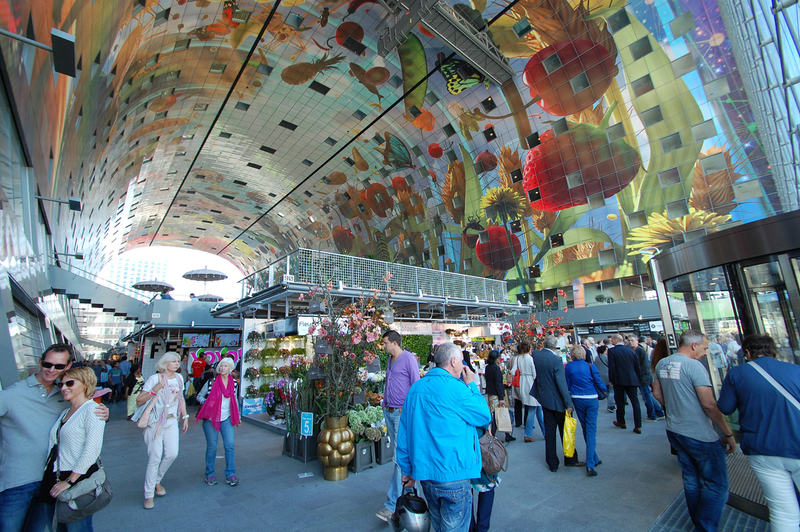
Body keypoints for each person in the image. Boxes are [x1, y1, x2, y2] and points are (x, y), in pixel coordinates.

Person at [0, 344, 108, 532]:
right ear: (40, 362)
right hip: (18, 480)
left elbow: (90, 441)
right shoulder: (11, 395)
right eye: (48, 364)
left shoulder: (72, 399)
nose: (52, 370)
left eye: (59, 366)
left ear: (68, 366)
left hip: (57, 480)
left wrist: (103, 415)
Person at [396, 343, 491, 532]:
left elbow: (404, 433)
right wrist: (472, 383)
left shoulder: (416, 389)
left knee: (439, 526)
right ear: (453, 361)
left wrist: (406, 470)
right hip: (454, 474)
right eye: (461, 361)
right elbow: (484, 415)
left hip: (426, 475)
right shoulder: (457, 389)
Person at [652, 330, 736, 532]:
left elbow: (656, 393)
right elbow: (709, 405)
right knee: (716, 484)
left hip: (675, 429)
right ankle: (706, 526)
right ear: (694, 345)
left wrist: (672, 407)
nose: (706, 352)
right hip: (699, 434)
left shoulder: (663, 363)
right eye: (705, 348)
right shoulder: (694, 366)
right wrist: (727, 433)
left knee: (691, 478)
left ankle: (698, 520)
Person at [717, 334, 800, 532]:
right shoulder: (796, 370)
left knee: (783, 513)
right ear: (774, 351)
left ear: (747, 352)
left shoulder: (737, 374)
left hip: (761, 449)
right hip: (797, 444)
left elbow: (726, 407)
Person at [40, 367, 106, 531]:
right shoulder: (65, 412)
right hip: (53, 477)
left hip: (75, 482)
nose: (63, 388)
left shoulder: (92, 409)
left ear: (85, 383)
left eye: (69, 383)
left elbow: (92, 449)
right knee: (56, 527)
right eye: (61, 384)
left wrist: (70, 480)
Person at [376, 330, 420, 523]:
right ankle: (408, 494)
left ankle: (391, 504)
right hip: (390, 411)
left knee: (398, 458)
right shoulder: (389, 361)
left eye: (385, 342)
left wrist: (410, 412)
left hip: (402, 414)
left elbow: (416, 386)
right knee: (401, 456)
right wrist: (385, 404)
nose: (383, 346)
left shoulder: (409, 359)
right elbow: (389, 383)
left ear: (394, 342)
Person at [137, 352, 189, 510]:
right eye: (173, 361)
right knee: (155, 457)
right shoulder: (155, 378)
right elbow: (140, 400)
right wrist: (155, 389)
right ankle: (149, 494)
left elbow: (180, 399)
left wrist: (185, 416)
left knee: (172, 453)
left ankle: (157, 480)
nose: (176, 364)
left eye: (178, 361)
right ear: (165, 363)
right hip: (155, 422)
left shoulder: (180, 379)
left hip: (172, 421)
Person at [531, 335, 583, 472]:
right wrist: (568, 402)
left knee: (550, 430)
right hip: (557, 400)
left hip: (544, 398)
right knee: (565, 430)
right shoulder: (555, 360)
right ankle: (570, 458)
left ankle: (552, 462)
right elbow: (561, 383)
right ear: (555, 346)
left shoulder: (536, 355)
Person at [196, 357, 241, 487]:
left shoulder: (234, 384)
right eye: (221, 366)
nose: (222, 368)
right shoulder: (211, 382)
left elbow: (234, 400)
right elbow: (199, 396)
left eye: (225, 366)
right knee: (212, 447)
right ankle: (209, 474)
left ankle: (230, 473)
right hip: (210, 418)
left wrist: (237, 417)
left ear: (231, 369)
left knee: (230, 445)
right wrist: (207, 403)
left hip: (226, 417)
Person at [565, 345, 607, 477]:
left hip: (577, 398)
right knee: (591, 429)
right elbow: (600, 383)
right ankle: (590, 463)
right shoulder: (590, 366)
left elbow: (568, 385)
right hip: (591, 398)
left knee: (585, 427)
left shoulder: (569, 367)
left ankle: (594, 457)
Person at [608, 334, 643, 433]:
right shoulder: (632, 351)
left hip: (619, 380)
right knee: (635, 402)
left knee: (620, 401)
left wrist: (611, 380)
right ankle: (638, 425)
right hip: (632, 379)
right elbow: (637, 367)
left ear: (615, 340)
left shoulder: (612, 351)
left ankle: (621, 421)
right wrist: (638, 379)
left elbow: (612, 367)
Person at [512, 341, 544, 443]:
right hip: (531, 382)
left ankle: (545, 432)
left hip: (522, 383)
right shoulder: (530, 359)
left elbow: (513, 371)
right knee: (533, 409)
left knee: (537, 408)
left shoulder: (518, 358)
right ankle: (528, 434)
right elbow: (534, 373)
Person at [628, 335, 664, 422]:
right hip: (640, 377)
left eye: (632, 340)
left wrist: (640, 377)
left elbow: (645, 366)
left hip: (643, 378)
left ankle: (652, 415)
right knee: (647, 395)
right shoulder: (633, 351)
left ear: (637, 341)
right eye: (629, 340)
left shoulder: (640, 351)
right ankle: (659, 412)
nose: (630, 342)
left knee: (646, 397)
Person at [485, 350, 514, 443]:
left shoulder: (488, 367)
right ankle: (493, 435)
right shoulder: (496, 368)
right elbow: (498, 383)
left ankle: (506, 434)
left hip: (490, 393)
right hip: (497, 394)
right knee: (499, 414)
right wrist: (501, 397)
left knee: (496, 414)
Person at [594, 345, 615, 413]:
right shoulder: (607, 357)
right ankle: (610, 405)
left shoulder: (596, 358)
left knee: (606, 390)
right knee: (611, 391)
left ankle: (609, 403)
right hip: (608, 375)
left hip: (600, 376)